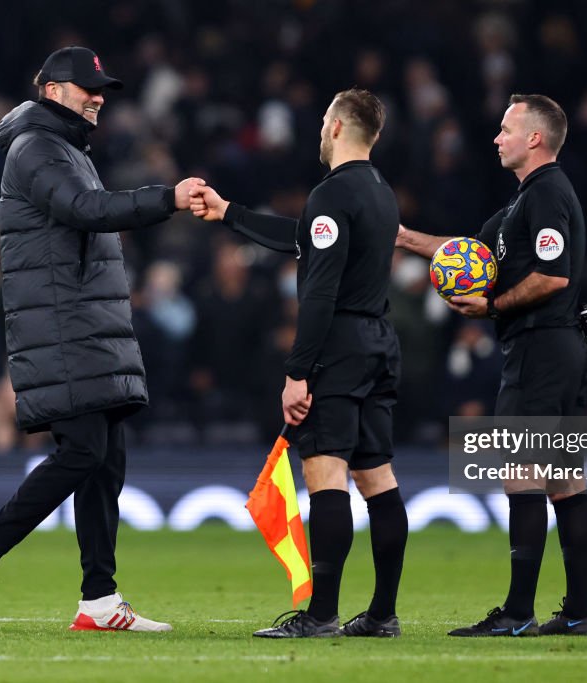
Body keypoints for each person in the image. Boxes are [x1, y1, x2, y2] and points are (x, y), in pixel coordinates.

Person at [0, 46, 204, 631]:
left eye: (102, 87)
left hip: (86, 325)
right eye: (87, 87)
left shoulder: (63, 148)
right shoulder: (36, 148)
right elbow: (84, 210)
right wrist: (168, 197)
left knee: (107, 458)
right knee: (83, 451)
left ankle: (100, 599)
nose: (98, 96)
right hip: (61, 328)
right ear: (52, 89)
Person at [190, 88, 408, 639]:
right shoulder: (381, 192)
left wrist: (298, 370)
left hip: (338, 347)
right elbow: (305, 242)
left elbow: (318, 290)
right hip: (379, 342)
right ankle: (382, 614)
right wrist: (230, 215)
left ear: (335, 126)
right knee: (378, 477)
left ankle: (323, 616)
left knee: (325, 473)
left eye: (322, 121)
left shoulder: (332, 193)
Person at [397, 94, 587, 637]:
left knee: (521, 476)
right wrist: (398, 234)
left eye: (506, 129)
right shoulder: (521, 203)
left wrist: (493, 306)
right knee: (564, 483)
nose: (496, 137)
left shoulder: (548, 193)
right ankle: (579, 613)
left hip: (542, 348)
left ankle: (517, 613)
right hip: (559, 348)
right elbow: (461, 249)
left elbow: (552, 276)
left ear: (535, 138)